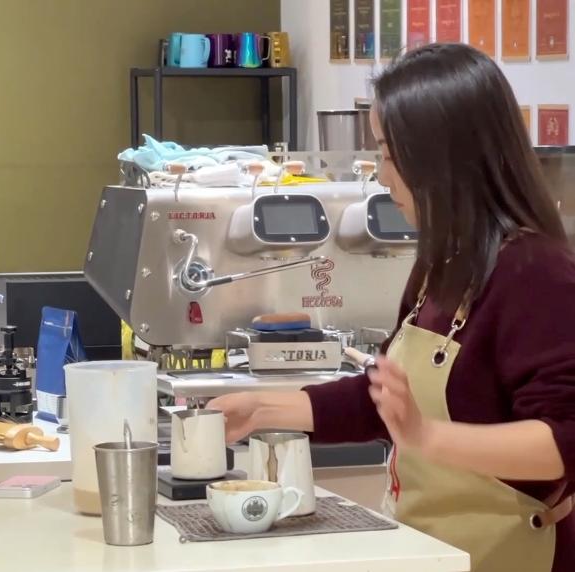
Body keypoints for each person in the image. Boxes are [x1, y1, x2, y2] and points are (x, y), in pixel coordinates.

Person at [208, 43, 575, 572]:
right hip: (432, 552)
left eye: (388, 153)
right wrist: (265, 410)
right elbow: (385, 401)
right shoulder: (441, 266)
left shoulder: (536, 272)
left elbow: (562, 440)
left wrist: (428, 437)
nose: (383, 176)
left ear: (440, 158)